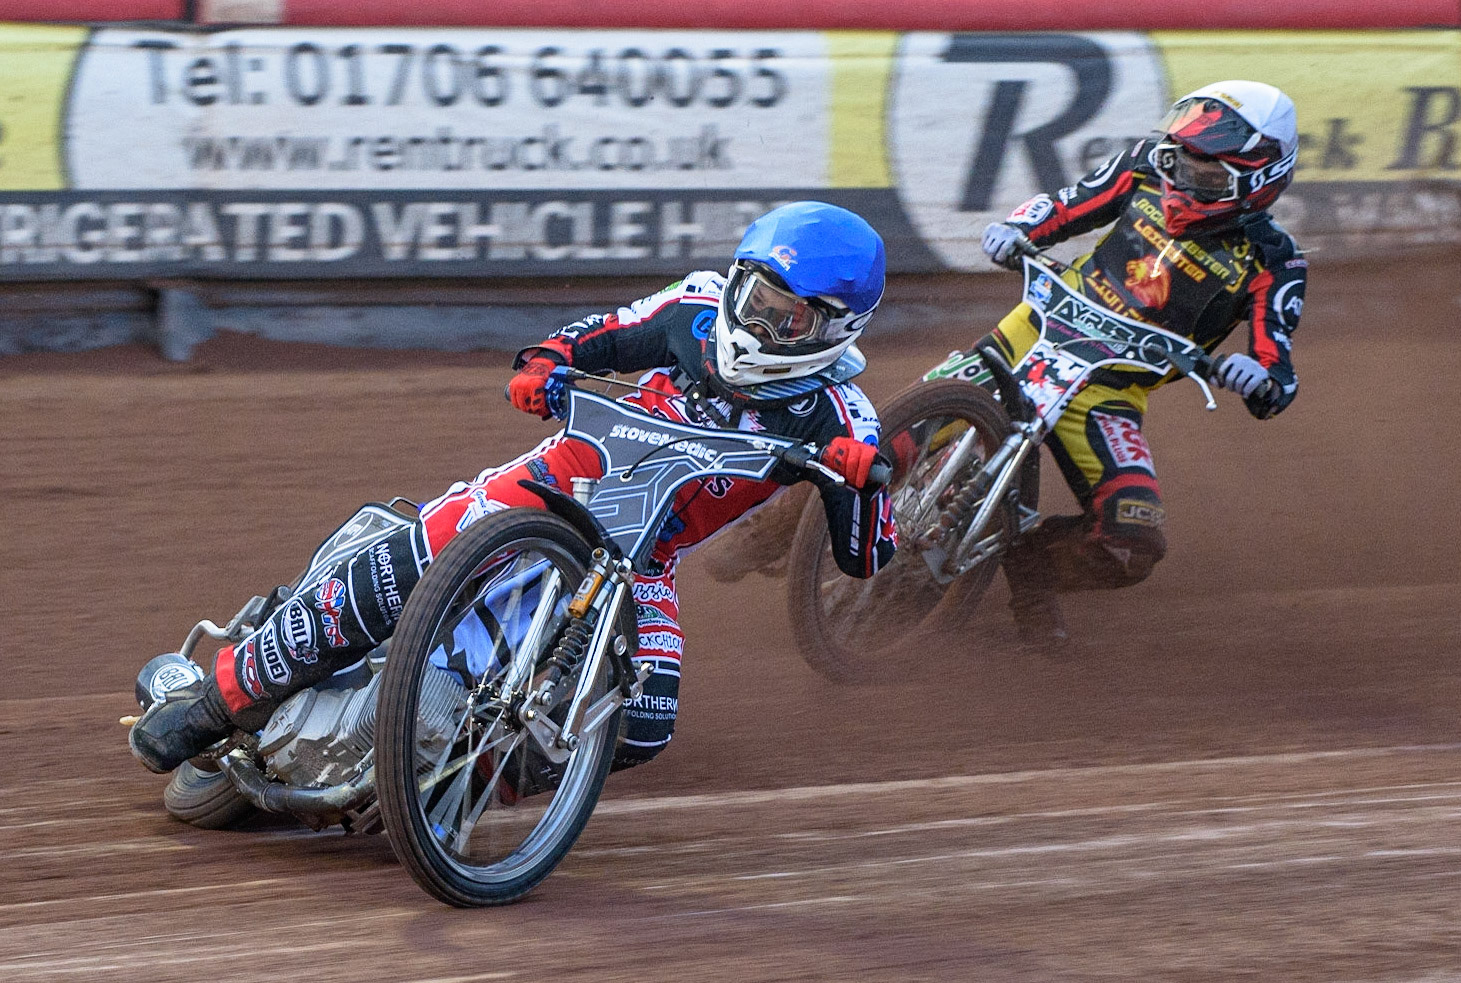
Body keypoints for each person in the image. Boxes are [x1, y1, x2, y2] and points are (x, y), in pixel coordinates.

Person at [130, 200, 897, 782]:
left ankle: (456, 787)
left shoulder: (845, 416)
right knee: (400, 569)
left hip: (642, 561)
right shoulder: (695, 307)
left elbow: (865, 560)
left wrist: (862, 481)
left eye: (782, 315)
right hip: (547, 485)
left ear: (835, 328)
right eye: (752, 293)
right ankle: (213, 705)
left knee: (644, 725)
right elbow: (595, 335)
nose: (754, 320)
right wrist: (544, 364)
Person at [976, 80, 1306, 646]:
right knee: (904, 435)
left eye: (1206, 175)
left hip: (1108, 393)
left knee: (1133, 539)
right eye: (1180, 161)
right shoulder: (1147, 166)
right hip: (1035, 333)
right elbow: (1068, 203)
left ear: (1258, 183)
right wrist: (1018, 228)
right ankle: (801, 519)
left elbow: (1277, 373)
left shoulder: (1275, 261)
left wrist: (1257, 378)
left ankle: (1027, 568)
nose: (1182, 179)